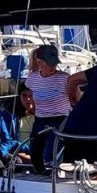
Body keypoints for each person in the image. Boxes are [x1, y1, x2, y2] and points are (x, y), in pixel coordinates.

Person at [25, 44, 71, 172]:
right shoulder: (32, 78)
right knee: (35, 153)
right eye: (50, 63)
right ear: (39, 62)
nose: (53, 66)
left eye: (55, 63)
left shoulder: (65, 78)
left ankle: (52, 174)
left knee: (50, 153)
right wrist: (33, 109)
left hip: (60, 119)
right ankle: (40, 175)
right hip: (40, 119)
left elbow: (74, 99)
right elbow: (32, 96)